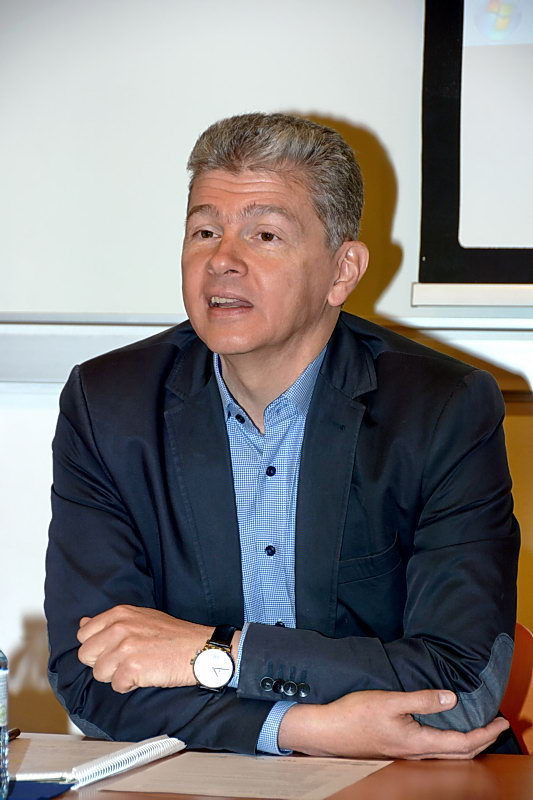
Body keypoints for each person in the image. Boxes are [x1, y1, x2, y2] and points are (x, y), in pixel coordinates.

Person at [45, 112, 519, 759]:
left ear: (342, 271)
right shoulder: (109, 405)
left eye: (264, 234)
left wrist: (218, 653)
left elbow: (459, 685)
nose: (222, 261)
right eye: (204, 231)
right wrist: (301, 729)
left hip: (409, 779)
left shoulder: (441, 409)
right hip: (205, 780)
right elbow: (91, 676)